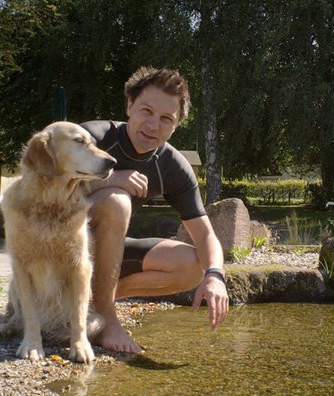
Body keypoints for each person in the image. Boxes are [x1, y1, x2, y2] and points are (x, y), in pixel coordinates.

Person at [81, 67, 229, 354]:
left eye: (166, 119)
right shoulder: (92, 137)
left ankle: (91, 301)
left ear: (176, 125)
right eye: (146, 111)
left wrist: (215, 275)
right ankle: (106, 320)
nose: (153, 125)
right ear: (129, 106)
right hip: (61, 252)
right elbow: (40, 189)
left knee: (192, 265)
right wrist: (111, 179)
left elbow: (205, 236)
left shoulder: (173, 166)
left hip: (104, 255)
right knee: (117, 200)